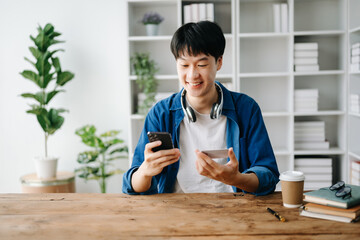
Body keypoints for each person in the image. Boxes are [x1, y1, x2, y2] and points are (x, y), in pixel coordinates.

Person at [123, 21, 279, 195]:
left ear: (218, 62)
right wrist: (145, 172)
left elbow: (269, 176)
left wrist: (236, 179)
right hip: (176, 212)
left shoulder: (246, 108)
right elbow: (131, 186)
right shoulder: (161, 113)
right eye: (184, 65)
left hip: (235, 210)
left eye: (202, 65)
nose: (192, 75)